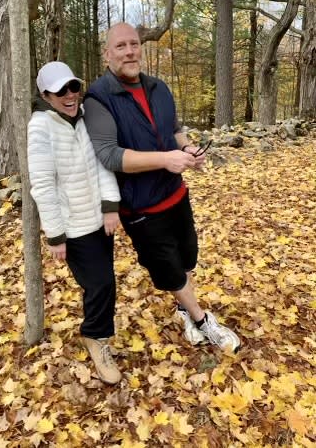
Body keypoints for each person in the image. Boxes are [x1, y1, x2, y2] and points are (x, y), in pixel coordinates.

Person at [84, 23, 240, 353]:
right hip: (141, 208)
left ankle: (184, 309)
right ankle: (201, 320)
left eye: (134, 44)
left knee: (186, 259)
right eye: (121, 46)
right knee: (168, 269)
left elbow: (174, 129)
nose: (129, 51)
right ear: (107, 53)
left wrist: (187, 151)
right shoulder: (98, 98)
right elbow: (110, 155)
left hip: (176, 195)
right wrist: (164, 159)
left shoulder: (158, 87)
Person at [27, 61, 122, 384]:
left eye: (73, 87)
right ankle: (95, 337)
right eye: (60, 91)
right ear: (46, 95)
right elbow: (42, 184)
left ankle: (100, 330)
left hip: (99, 220)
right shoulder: (41, 126)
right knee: (101, 284)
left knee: (104, 282)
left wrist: (111, 207)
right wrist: (55, 235)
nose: (69, 95)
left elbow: (102, 165)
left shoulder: (84, 119)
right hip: (73, 228)